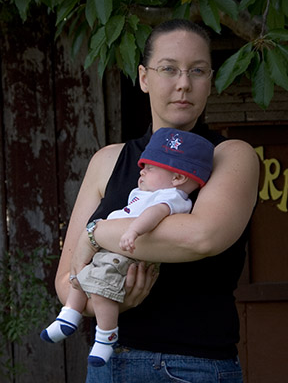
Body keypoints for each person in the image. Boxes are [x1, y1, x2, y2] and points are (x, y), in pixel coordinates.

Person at [55, 19, 259, 383]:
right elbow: (65, 279)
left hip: (194, 366)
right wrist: (111, 298)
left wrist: (96, 234)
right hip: (108, 364)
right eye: (168, 69)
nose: (183, 83)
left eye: (197, 70)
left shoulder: (230, 156)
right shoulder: (108, 160)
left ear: (210, 81)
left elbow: (201, 237)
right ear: (144, 77)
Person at [41, 127, 214, 368]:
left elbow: (153, 215)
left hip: (127, 254)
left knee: (102, 290)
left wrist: (132, 231)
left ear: (177, 178)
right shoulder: (144, 192)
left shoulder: (171, 198)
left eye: (150, 167)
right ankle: (69, 314)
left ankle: (106, 335)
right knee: (81, 276)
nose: (141, 170)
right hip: (111, 250)